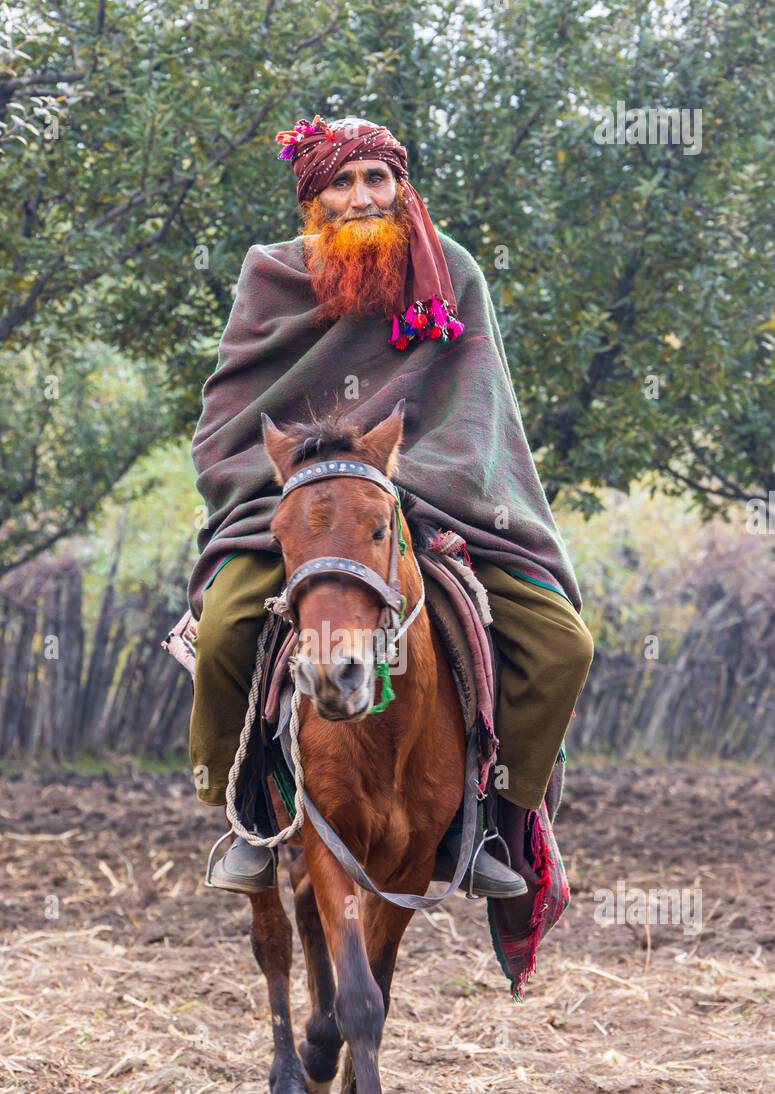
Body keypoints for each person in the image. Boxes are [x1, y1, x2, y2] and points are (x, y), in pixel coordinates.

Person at [187, 114, 594, 895]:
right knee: (227, 632)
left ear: (401, 189)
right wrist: (316, 487)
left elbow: (479, 415)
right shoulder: (269, 277)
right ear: (315, 201)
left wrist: (393, 487)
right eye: (342, 183)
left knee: (562, 647)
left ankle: (489, 831)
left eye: (377, 179)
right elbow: (231, 416)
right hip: (302, 510)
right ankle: (242, 817)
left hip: (428, 509)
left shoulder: (455, 273)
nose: (363, 196)